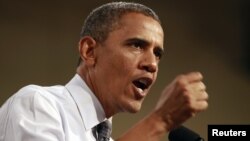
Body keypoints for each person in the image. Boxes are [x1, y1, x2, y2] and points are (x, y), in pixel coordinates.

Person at [0, 2, 208, 141]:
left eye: (157, 53)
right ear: (89, 51)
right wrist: (162, 120)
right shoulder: (37, 104)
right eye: (136, 45)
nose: (152, 64)